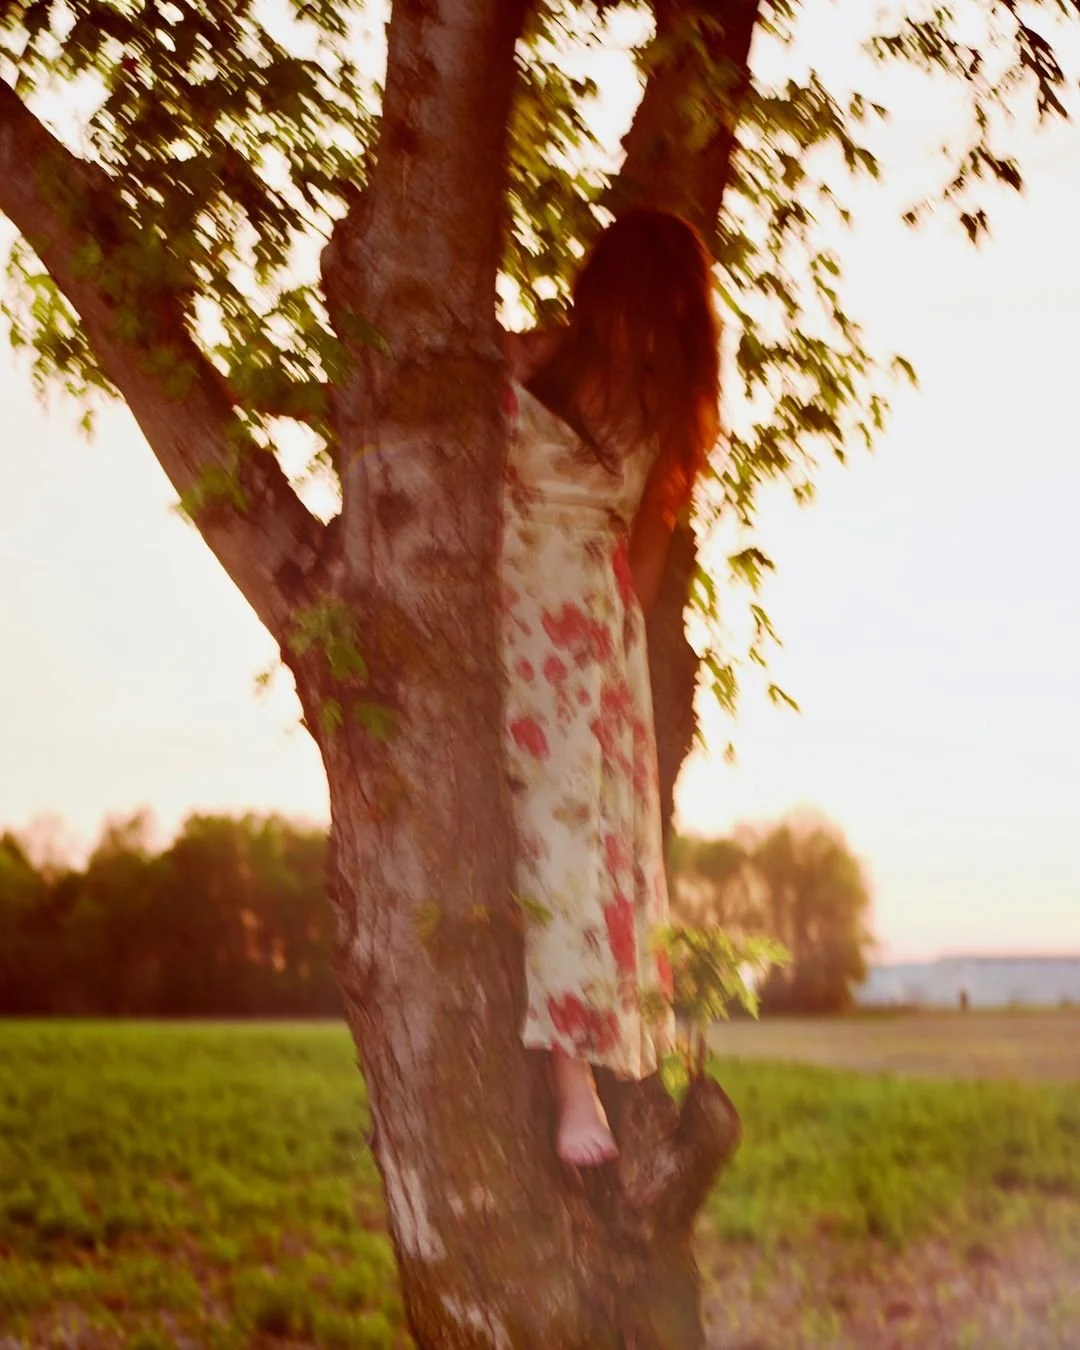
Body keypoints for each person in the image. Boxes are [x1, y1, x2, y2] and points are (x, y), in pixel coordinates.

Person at [498, 209, 721, 1168]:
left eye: (668, 311)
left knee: (574, 843)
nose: (650, 324)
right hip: (503, 610)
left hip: (581, 637)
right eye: (643, 300)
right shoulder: (524, 358)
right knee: (529, 840)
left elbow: (645, 563)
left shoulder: (665, 413)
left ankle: (574, 1075)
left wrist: (606, 643)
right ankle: (566, 1064)